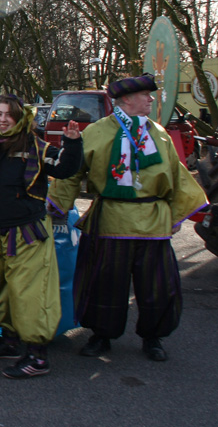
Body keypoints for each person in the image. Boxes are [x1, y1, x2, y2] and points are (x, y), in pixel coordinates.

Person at [48, 74, 207, 362]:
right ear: (126, 100)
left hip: (153, 222)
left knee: (158, 284)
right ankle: (101, 335)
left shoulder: (158, 133)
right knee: (105, 282)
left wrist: (182, 209)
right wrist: (57, 204)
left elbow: (177, 174)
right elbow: (73, 170)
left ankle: (153, 337)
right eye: (145, 95)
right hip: (110, 220)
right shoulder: (96, 132)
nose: (150, 100)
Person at [0, 95, 82, 378]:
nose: (2, 119)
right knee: (0, 289)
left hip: (26, 233)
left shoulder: (35, 147)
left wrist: (73, 143)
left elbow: (65, 168)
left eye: (8, 114)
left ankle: (38, 356)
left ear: (19, 118)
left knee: (29, 294)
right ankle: (11, 340)